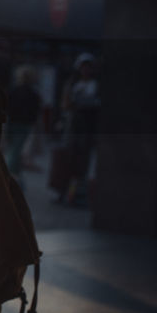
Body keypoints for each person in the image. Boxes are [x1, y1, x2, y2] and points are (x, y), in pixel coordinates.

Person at [60, 52, 100, 204]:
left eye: (88, 67)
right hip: (72, 126)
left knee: (82, 163)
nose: (85, 70)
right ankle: (64, 192)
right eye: (83, 67)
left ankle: (77, 194)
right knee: (69, 160)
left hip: (86, 127)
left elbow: (93, 104)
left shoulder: (95, 85)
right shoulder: (72, 83)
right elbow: (66, 104)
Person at [3, 65, 42, 189]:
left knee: (14, 152)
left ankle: (10, 177)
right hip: (21, 125)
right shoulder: (32, 94)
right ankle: (13, 177)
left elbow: (7, 108)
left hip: (16, 124)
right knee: (15, 152)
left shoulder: (14, 91)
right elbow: (35, 114)